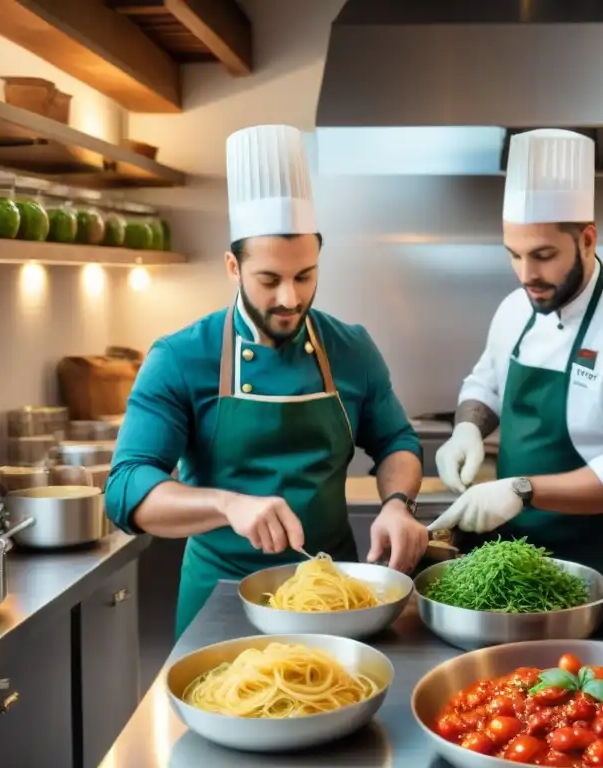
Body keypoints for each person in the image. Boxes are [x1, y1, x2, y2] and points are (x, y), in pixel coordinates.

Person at [105, 124, 429, 639]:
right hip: (221, 596)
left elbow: (396, 441)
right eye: (269, 280)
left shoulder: (351, 347)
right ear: (233, 267)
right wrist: (226, 503)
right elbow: (126, 489)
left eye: (304, 276)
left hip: (337, 594)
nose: (289, 299)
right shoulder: (181, 357)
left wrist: (398, 504)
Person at [428, 128, 603, 654]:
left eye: (544, 255)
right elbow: (487, 381)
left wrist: (520, 490)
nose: (528, 274)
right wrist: (467, 428)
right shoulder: (516, 307)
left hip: (592, 567)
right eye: (514, 255)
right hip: (506, 562)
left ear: (588, 239)